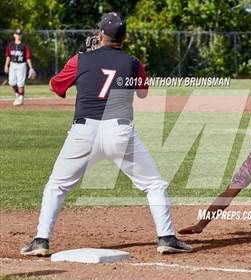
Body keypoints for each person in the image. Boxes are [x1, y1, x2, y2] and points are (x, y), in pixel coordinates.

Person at [21, 12, 192, 256]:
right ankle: (165, 237)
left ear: (101, 34)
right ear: (125, 37)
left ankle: (40, 240)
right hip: (119, 132)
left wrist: (85, 62)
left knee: (56, 186)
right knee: (154, 184)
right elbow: (142, 93)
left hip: (83, 132)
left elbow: (55, 86)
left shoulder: (79, 59)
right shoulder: (133, 63)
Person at [3, 28, 36, 106]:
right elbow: (8, 56)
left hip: (21, 64)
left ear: (21, 35)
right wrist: (6, 66)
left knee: (20, 83)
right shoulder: (10, 45)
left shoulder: (24, 46)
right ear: (14, 35)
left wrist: (31, 68)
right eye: (17, 34)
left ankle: (21, 98)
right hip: (12, 64)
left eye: (19, 34)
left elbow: (28, 57)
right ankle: (18, 94)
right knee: (11, 82)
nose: (18, 36)